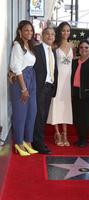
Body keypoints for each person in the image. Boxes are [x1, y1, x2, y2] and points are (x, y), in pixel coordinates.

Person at [9, 20, 38, 156]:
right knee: (20, 113)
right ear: (20, 31)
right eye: (26, 30)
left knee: (32, 112)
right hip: (21, 80)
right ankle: (19, 143)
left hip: (31, 77)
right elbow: (16, 67)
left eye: (31, 30)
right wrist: (23, 88)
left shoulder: (30, 45)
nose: (29, 32)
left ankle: (28, 141)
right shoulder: (17, 46)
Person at [32, 27, 58, 154]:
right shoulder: (36, 49)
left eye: (52, 34)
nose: (50, 36)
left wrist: (54, 87)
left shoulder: (52, 51)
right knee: (39, 116)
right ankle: (38, 143)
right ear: (42, 35)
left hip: (49, 87)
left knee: (43, 116)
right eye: (47, 34)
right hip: (39, 88)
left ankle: (38, 141)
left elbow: (54, 70)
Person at [47, 22, 73, 146]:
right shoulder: (54, 45)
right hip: (57, 81)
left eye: (68, 30)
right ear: (59, 31)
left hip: (68, 83)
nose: (65, 33)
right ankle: (57, 134)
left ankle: (65, 134)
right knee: (56, 106)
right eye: (63, 30)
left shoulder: (72, 46)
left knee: (66, 108)